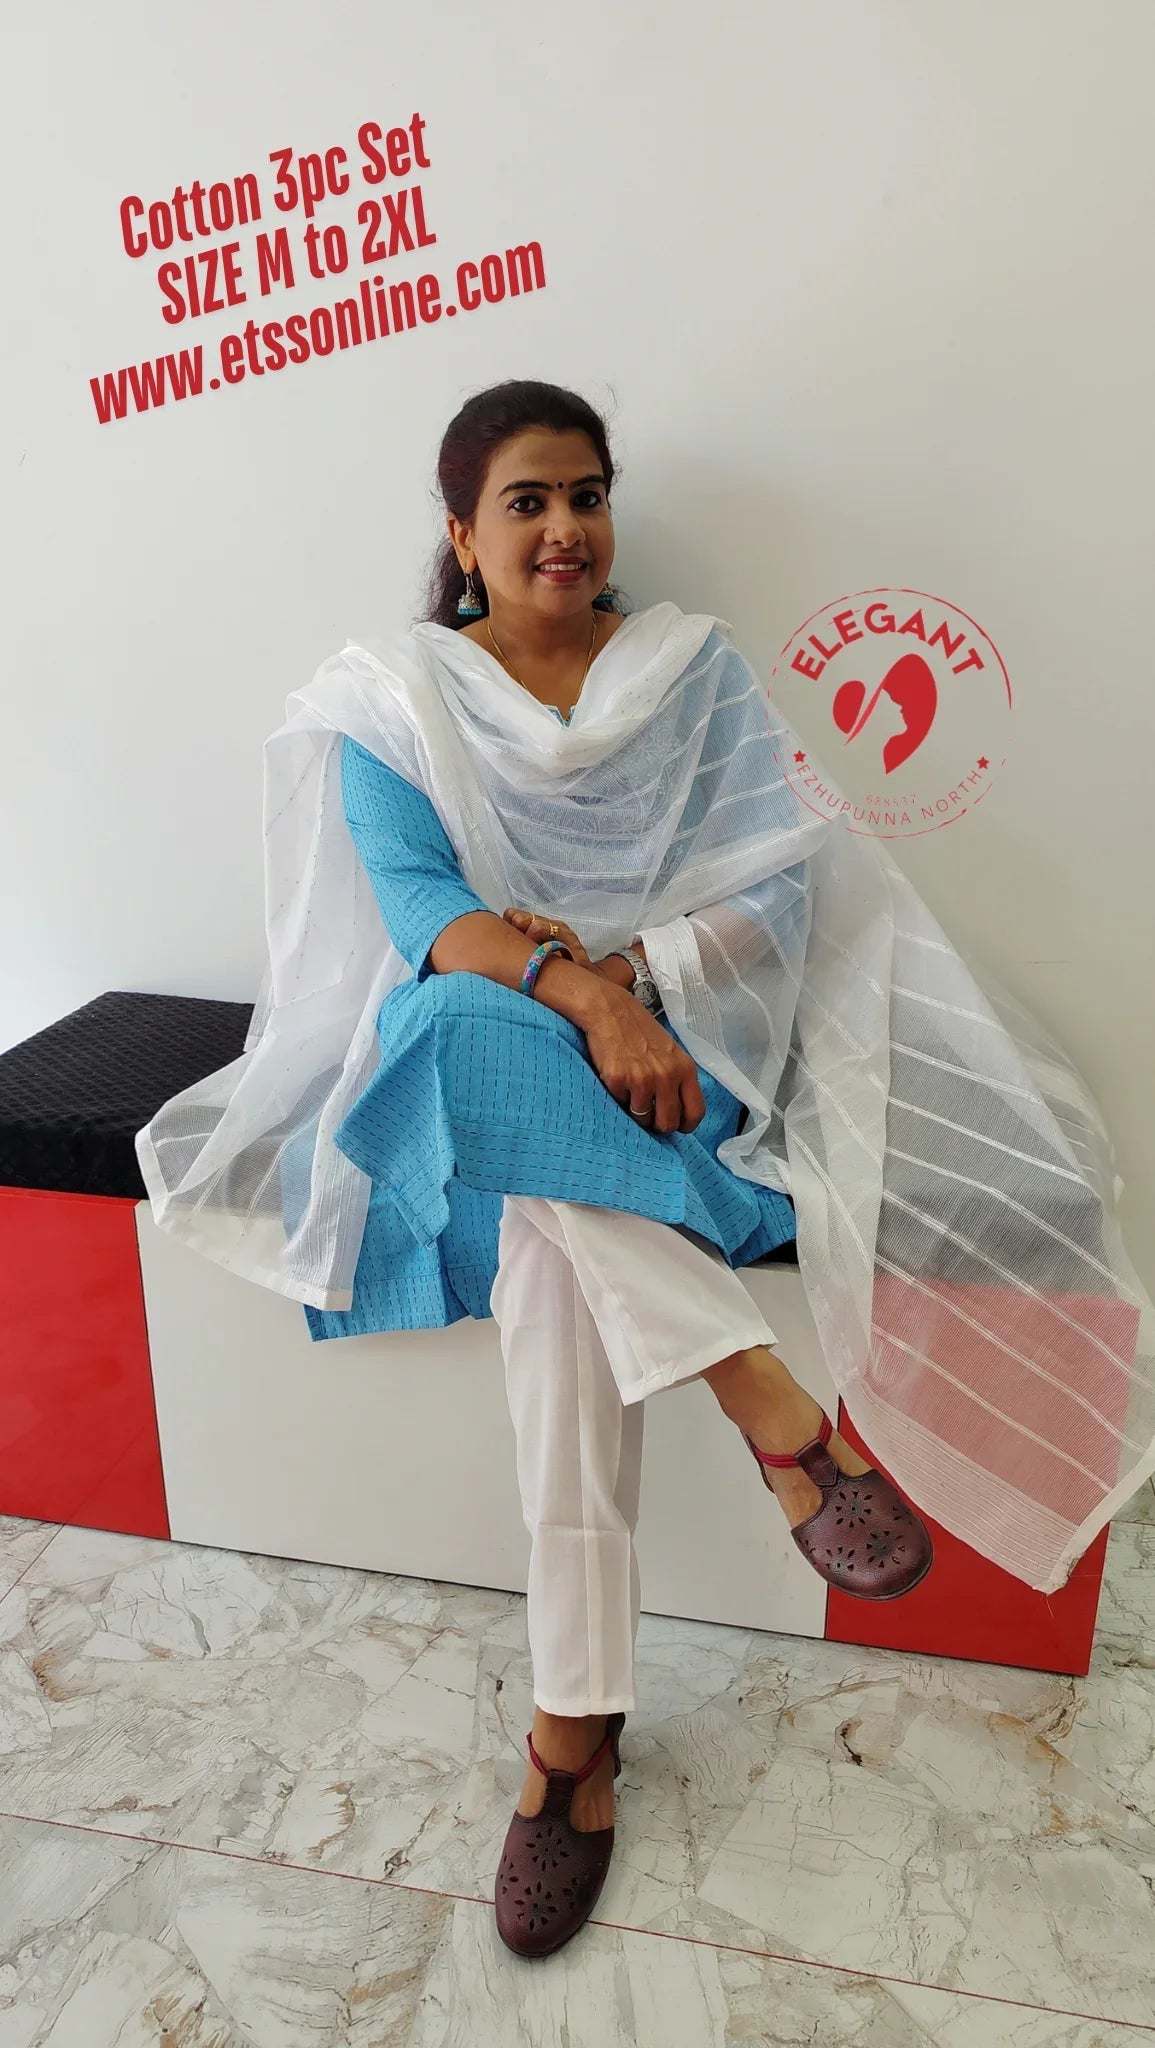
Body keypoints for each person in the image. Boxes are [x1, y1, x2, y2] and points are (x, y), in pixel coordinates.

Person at [134, 378, 1155, 1964]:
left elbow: (785, 897)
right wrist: (581, 999)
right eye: (527, 500)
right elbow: (417, 907)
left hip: (697, 1095)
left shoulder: (692, 677)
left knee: (542, 1207)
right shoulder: (392, 696)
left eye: (587, 494)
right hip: (514, 1083)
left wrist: (646, 977)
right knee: (456, 1033)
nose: (564, 527)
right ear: (461, 530)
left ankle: (572, 1749)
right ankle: (774, 1414)